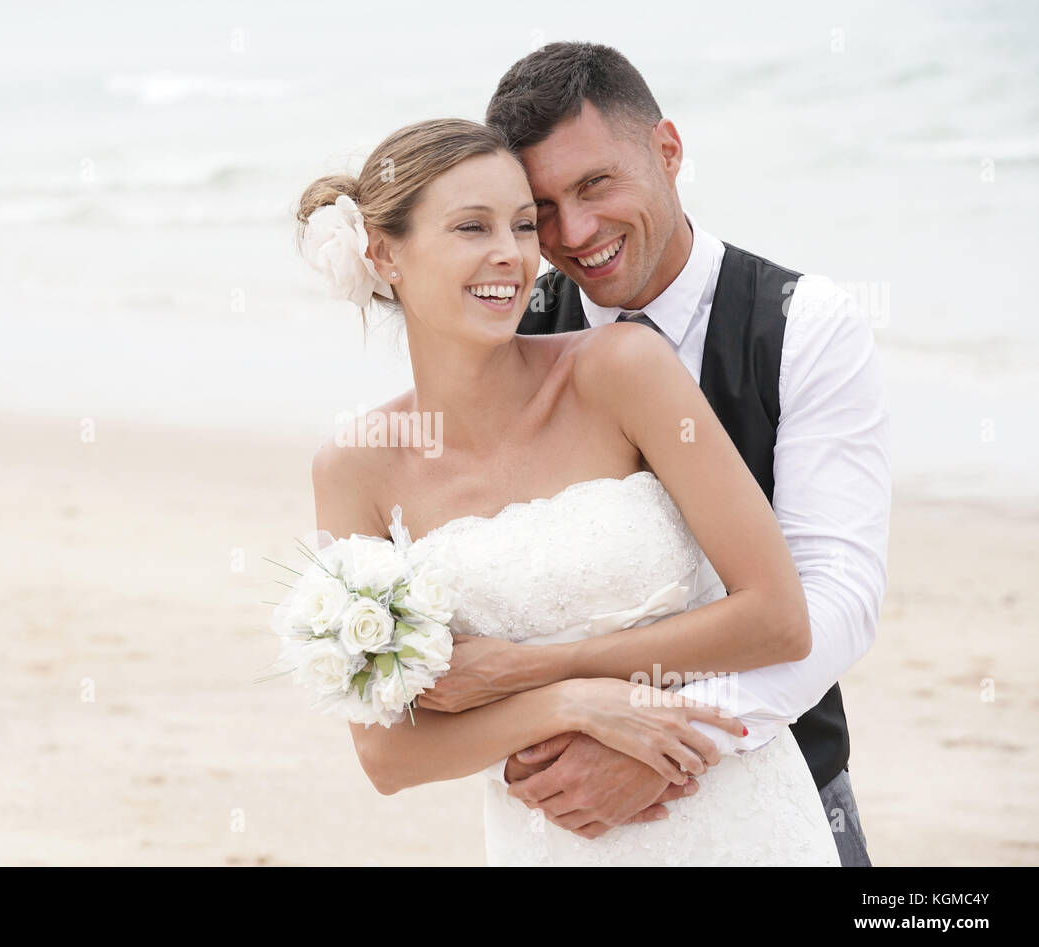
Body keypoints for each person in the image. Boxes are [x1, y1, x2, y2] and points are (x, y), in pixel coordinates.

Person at [298, 115, 842, 864]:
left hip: (729, 816)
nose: (511, 256)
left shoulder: (623, 369)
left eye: (524, 225)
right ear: (385, 253)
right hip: (549, 839)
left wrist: (534, 669)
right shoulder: (355, 468)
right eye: (471, 227)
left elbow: (778, 620)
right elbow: (388, 756)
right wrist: (566, 703)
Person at [476, 41, 891, 866]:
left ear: (667, 149)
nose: (575, 232)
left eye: (595, 184)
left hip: (781, 786)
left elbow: (840, 596)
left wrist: (664, 743)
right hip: (569, 816)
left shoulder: (803, 324)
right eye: (544, 207)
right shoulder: (509, 335)